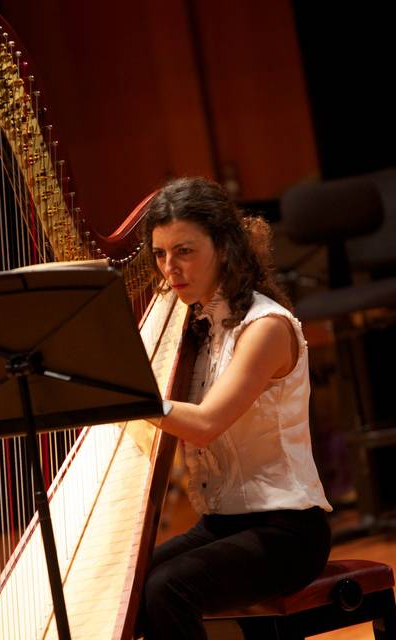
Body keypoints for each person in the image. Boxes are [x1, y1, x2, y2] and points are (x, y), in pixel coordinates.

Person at [139, 177, 333, 640]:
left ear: (224, 246)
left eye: (184, 251)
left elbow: (204, 424)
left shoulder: (264, 327)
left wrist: (123, 395)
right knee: (130, 584)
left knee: (167, 589)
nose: (170, 268)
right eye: (161, 254)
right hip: (221, 525)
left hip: (288, 533)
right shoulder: (196, 326)